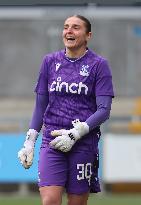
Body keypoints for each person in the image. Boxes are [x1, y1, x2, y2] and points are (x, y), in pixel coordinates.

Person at [18, 15, 114, 205]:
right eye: (66, 27)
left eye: (76, 28)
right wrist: (29, 142)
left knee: (76, 203)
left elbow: (104, 109)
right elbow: (40, 106)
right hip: (51, 140)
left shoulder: (99, 65)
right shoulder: (49, 62)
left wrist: (75, 134)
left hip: (83, 143)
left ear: (88, 35)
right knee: (50, 201)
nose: (69, 31)